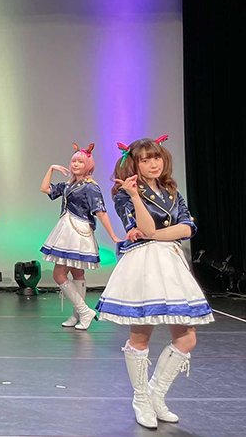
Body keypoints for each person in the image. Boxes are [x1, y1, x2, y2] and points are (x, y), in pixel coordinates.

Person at [96, 136, 214, 429]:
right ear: (135, 164)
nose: (153, 164)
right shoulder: (124, 195)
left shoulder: (172, 191)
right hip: (145, 266)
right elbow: (144, 227)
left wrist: (156, 235)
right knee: (141, 336)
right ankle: (140, 399)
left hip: (171, 264)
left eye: (156, 157)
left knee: (187, 338)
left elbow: (188, 228)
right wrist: (136, 198)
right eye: (145, 159)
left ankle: (155, 394)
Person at [40, 142, 121, 330]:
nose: (76, 164)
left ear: (88, 166)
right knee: (77, 272)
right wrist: (51, 168)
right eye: (74, 161)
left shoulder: (91, 187)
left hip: (78, 231)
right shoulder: (69, 184)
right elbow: (45, 189)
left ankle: (84, 312)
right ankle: (78, 314)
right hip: (67, 229)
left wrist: (113, 235)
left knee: (59, 274)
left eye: (80, 162)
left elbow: (101, 212)